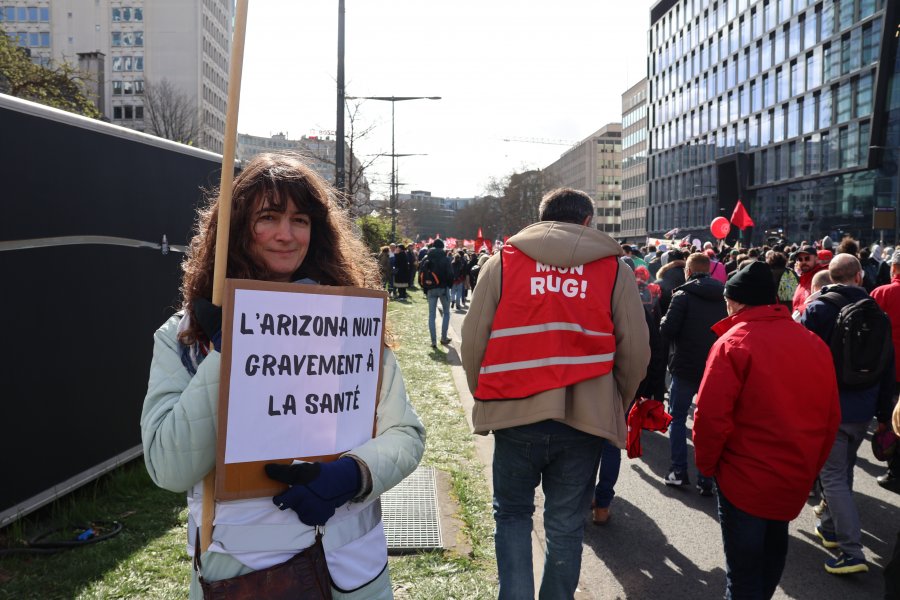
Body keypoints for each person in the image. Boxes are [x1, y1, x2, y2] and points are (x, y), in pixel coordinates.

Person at [141, 153, 426, 599]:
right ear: (237, 227)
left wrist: (353, 475)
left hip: (355, 575)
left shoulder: (350, 319)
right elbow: (169, 468)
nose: (286, 235)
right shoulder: (185, 336)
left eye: (300, 220)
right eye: (268, 217)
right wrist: (230, 353)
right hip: (243, 578)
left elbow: (405, 434)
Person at [461, 188, 649, 599]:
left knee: (512, 515)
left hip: (514, 411)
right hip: (583, 421)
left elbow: (473, 341)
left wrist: (487, 397)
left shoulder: (503, 262)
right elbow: (635, 351)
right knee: (565, 525)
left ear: (541, 218)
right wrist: (613, 402)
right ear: (587, 222)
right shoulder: (614, 270)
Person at [693, 261, 841, 600]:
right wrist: (810, 469)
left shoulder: (733, 343)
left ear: (736, 302)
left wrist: (707, 466)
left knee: (743, 578)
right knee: (769, 564)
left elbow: (710, 417)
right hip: (792, 475)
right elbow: (830, 417)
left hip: (743, 479)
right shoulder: (812, 342)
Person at [801, 253, 895, 575]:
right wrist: (884, 415)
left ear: (830, 276)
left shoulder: (818, 309)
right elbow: (888, 367)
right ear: (859, 276)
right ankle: (830, 528)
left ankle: (851, 552)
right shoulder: (877, 313)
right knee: (843, 471)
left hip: (829, 406)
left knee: (832, 476)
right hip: (865, 408)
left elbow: (801, 360)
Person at [659, 252, 727, 495]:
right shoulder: (724, 295)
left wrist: (663, 319)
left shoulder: (682, 295)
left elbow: (667, 329)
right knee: (708, 421)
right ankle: (706, 477)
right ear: (708, 270)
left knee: (677, 417)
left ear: (688, 271)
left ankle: (678, 471)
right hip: (714, 366)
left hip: (685, 365)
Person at [872, 250, 900, 490]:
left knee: (892, 423)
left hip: (890, 369)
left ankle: (895, 471)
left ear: (894, 268)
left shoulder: (882, 293)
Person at [420, 239, 453, 348]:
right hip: (443, 288)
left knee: (431, 316)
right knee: (446, 313)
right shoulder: (446, 259)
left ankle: (433, 341)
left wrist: (425, 288)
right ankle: (443, 337)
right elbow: (450, 274)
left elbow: (421, 273)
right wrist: (449, 286)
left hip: (430, 288)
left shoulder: (427, 257)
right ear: (442, 247)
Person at [791, 244, 826, 315]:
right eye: (800, 259)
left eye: (807, 258)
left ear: (816, 258)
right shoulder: (802, 279)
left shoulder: (822, 277)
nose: (803, 262)